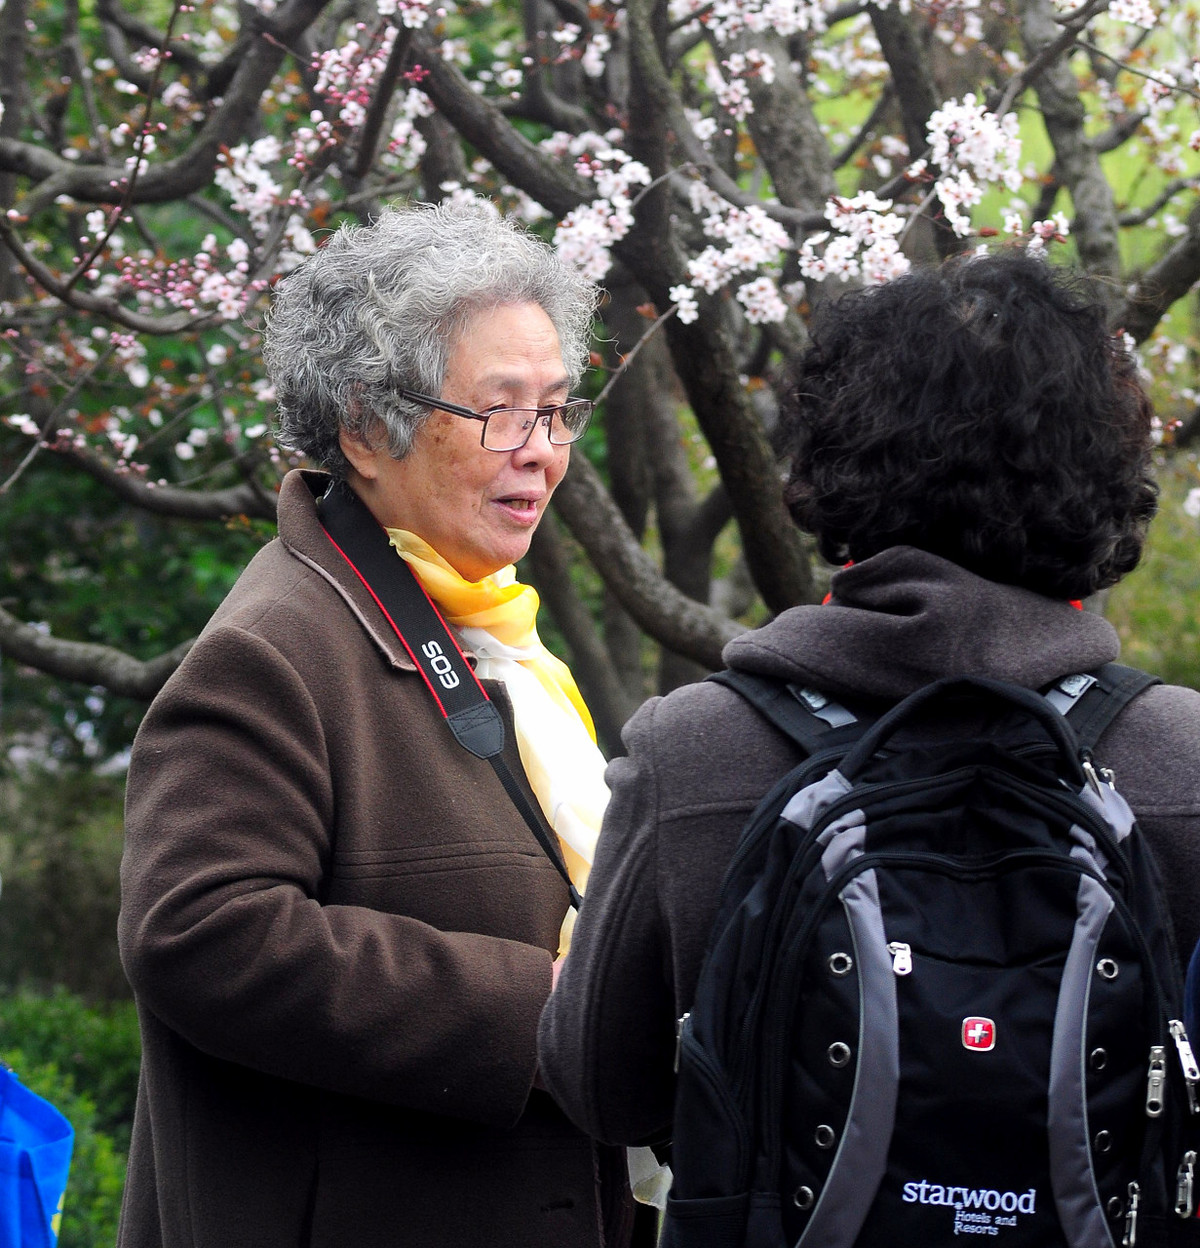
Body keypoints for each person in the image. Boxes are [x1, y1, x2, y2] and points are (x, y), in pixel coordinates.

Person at [537, 251, 1200, 1156]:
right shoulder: (1182, 758)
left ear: (836, 460)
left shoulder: (696, 747)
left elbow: (604, 1090)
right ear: (1101, 474)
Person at [117, 198, 634, 1248]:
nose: (540, 452)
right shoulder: (275, 648)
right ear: (363, 428)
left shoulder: (498, 636)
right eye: (501, 412)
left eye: (559, 410)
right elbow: (195, 933)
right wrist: (540, 1010)